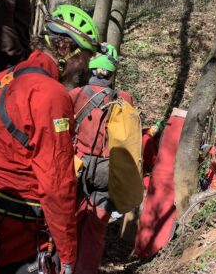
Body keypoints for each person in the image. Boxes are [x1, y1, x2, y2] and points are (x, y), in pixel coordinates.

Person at [0, 5, 100, 274]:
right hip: (21, 232)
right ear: (64, 49)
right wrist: (68, 253)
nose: (82, 68)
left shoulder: (1, 79)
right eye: (82, 59)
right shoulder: (51, 95)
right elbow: (56, 182)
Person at [69, 43, 133, 274]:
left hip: (77, 166)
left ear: (92, 67)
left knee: (69, 223)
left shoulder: (75, 96)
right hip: (108, 170)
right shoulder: (124, 98)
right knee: (95, 231)